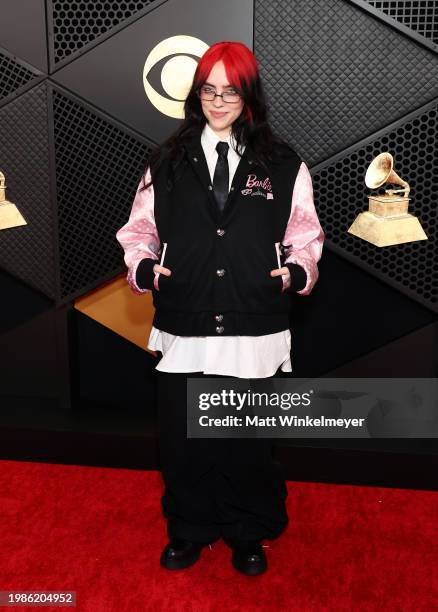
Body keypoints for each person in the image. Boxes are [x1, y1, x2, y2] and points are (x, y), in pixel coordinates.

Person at [116, 41, 324, 576]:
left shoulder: (283, 163)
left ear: (248, 95)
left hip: (253, 325)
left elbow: (307, 234)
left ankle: (246, 529)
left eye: (230, 91)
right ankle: (190, 528)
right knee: (184, 439)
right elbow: (138, 231)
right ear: (197, 94)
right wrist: (142, 267)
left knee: (246, 439)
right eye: (209, 90)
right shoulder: (164, 162)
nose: (218, 101)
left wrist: (298, 270)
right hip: (184, 323)